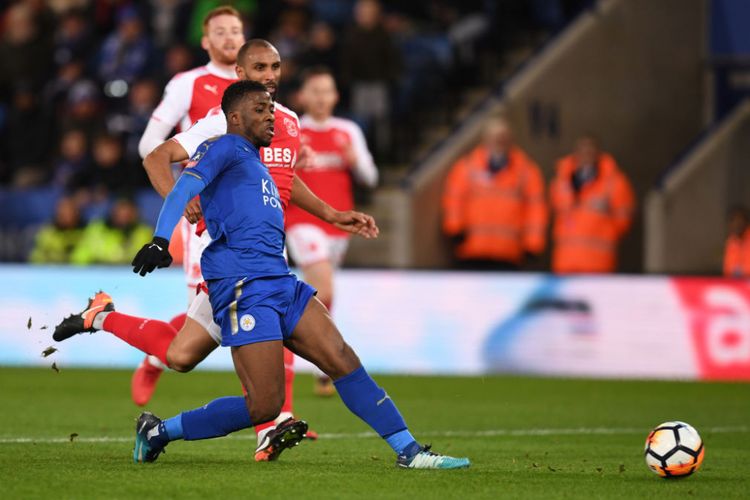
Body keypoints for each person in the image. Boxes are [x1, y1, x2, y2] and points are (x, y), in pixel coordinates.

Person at [57, 81, 470, 469]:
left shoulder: (254, 163)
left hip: (281, 283)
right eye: (260, 110)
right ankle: (159, 431)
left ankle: (409, 451)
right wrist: (161, 239)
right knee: (264, 405)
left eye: (271, 109)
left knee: (342, 358)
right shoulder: (222, 147)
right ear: (235, 117)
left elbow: (289, 186)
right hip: (242, 287)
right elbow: (182, 186)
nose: (271, 116)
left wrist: (331, 213)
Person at [55, 39, 377, 461]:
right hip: (227, 258)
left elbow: (282, 178)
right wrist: (179, 204)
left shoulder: (286, 122)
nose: (270, 74)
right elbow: (158, 157)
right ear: (240, 76)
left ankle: (102, 317)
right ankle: (269, 423)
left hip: (262, 258)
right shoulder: (222, 123)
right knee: (259, 335)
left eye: (276, 66)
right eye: (260, 67)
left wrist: (330, 213)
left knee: (182, 354)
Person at [132, 6, 245, 407]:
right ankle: (153, 359)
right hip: (203, 212)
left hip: (249, 212)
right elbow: (150, 145)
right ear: (206, 41)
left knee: (260, 295)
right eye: (221, 31)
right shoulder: (189, 83)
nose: (230, 37)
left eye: (236, 30)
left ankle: (277, 414)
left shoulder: (257, 86)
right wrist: (182, 193)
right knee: (205, 305)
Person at [287, 66, 378, 396]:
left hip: (338, 226)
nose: (321, 98)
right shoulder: (293, 127)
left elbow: (371, 177)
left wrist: (354, 160)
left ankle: (319, 361)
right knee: (323, 286)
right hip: (301, 222)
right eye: (315, 91)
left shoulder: (348, 131)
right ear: (303, 96)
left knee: (322, 296)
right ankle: (323, 359)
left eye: (327, 91)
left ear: (336, 96)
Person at [442, 117, 547, 269]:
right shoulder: (468, 167)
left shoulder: (526, 171)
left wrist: (533, 243)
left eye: (503, 137)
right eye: (495, 137)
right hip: (472, 250)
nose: (499, 141)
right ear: (485, 139)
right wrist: (455, 229)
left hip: (508, 252)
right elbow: (454, 199)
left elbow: (535, 208)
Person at [549, 135, 635, 273]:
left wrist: (602, 230)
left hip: (598, 263)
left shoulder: (614, 182)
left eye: (590, 150)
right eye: (582, 150)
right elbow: (556, 212)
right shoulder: (561, 181)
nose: (586, 154)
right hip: (565, 262)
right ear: (575, 154)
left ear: (598, 154)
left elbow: (623, 221)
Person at [70, 197, 153, 265]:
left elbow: (149, 259)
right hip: (98, 275)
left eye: (127, 213)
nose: (123, 216)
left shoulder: (144, 232)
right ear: (113, 211)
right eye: (120, 210)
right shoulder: (97, 228)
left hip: (132, 277)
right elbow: (80, 256)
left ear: (135, 213)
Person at [29, 196, 84, 264]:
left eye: (69, 210)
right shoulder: (47, 233)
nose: (65, 214)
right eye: (62, 210)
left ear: (76, 212)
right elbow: (36, 259)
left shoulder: (85, 233)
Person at [723, 206, 750, 277]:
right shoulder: (731, 241)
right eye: (732, 220)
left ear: (746, 222)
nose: (736, 224)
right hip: (736, 284)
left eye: (739, 221)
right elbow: (728, 269)